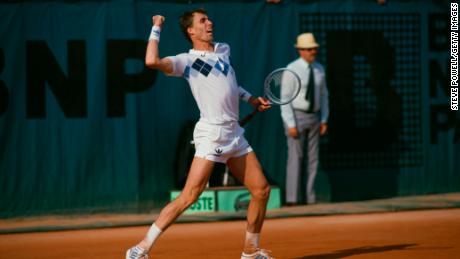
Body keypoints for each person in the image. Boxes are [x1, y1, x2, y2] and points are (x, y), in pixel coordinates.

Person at [126, 8, 274, 259]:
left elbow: (229, 84)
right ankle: (140, 249)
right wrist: (157, 27)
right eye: (203, 21)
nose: (210, 22)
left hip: (234, 134)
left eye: (209, 18)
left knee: (261, 190)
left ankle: (250, 251)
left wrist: (251, 100)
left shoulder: (223, 50)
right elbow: (151, 61)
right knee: (189, 196)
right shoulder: (187, 61)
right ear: (190, 31)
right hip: (212, 134)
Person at [281, 32, 329, 206]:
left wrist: (324, 119)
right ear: (300, 50)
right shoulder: (291, 69)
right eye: (309, 49)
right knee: (295, 158)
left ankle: (310, 198)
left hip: (315, 117)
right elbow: (285, 98)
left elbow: (324, 96)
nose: (312, 52)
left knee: (313, 158)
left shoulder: (319, 69)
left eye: (314, 49)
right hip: (297, 116)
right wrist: (291, 123)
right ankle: (293, 199)